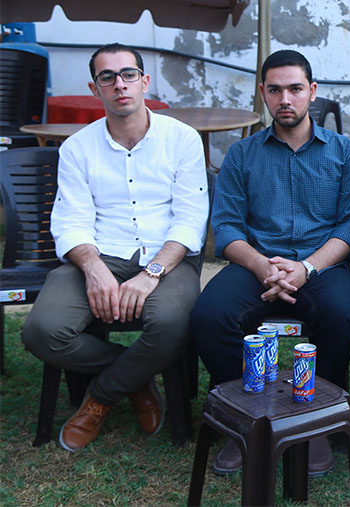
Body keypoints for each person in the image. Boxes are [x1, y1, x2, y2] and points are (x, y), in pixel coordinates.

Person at [21, 43, 208, 451]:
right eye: (107, 77)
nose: (119, 84)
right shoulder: (77, 148)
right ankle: (136, 377)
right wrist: (94, 269)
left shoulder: (182, 139)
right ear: (95, 89)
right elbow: (70, 220)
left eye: (128, 75)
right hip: (100, 253)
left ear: (144, 81)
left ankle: (100, 397)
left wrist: (151, 274)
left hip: (167, 260)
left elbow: (190, 219)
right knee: (41, 331)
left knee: (170, 324)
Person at [190, 50, 350, 476]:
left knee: (341, 316)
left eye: (295, 89)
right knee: (209, 316)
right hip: (256, 266)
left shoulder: (345, 153)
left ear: (312, 91)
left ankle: (315, 422)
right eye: (275, 90)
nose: (285, 99)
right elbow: (227, 227)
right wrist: (260, 266)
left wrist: (306, 268)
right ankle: (245, 418)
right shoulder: (242, 155)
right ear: (263, 93)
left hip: (320, 268)